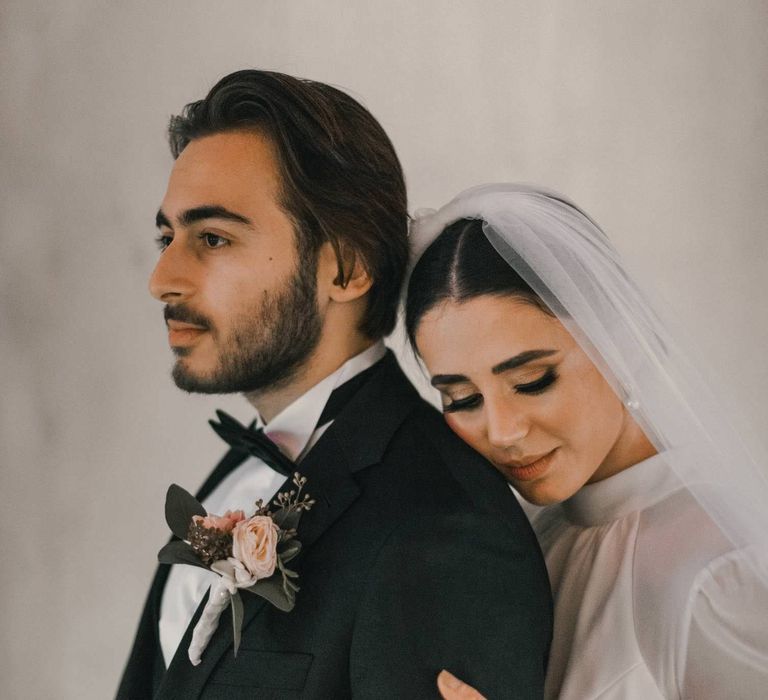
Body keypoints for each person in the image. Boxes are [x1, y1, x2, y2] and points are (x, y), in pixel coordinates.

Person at [117, 76, 552, 698]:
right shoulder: (241, 472)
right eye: (167, 239)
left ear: (346, 268)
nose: (163, 278)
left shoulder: (442, 535)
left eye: (212, 237)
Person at [404, 184, 768, 699]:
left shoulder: (716, 574)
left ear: (618, 340)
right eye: (462, 399)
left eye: (533, 380)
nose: (503, 431)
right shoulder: (527, 542)